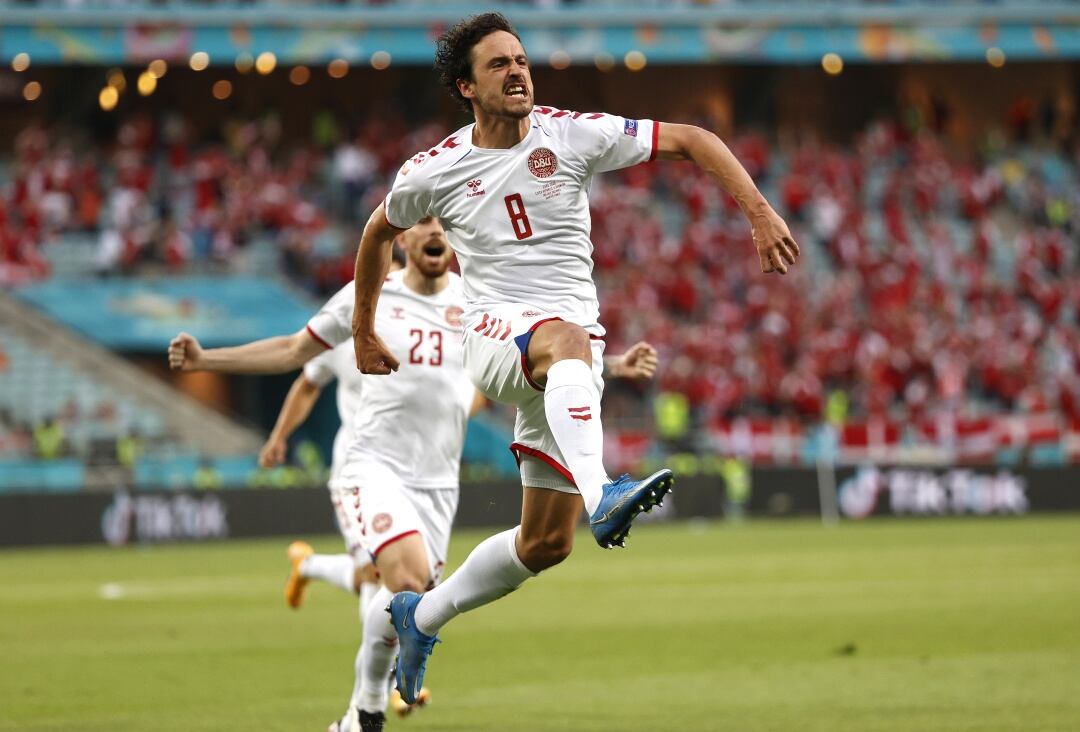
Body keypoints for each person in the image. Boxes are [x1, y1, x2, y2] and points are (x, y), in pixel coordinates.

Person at [348, 12, 800, 704]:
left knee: (545, 545)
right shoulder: (434, 170)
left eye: (521, 59)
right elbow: (379, 232)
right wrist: (363, 331)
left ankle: (421, 616)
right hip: (500, 338)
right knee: (567, 339)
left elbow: (693, 139)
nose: (518, 71)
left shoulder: (571, 133)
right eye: (498, 64)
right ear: (466, 87)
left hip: (564, 363)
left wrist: (759, 212)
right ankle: (604, 493)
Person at [168, 219, 661, 730]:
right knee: (400, 577)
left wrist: (616, 363)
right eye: (421, 222)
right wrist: (207, 359)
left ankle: (356, 717)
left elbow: (528, 353)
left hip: (438, 483)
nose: (434, 233)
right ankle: (369, 711)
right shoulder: (369, 296)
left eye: (442, 226)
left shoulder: (477, 300)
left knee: (408, 600)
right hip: (375, 467)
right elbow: (295, 351)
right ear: (399, 239)